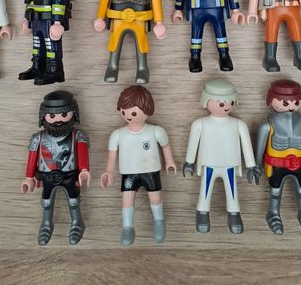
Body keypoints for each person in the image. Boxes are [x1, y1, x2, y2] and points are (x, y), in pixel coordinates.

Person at [101, 85, 176, 246]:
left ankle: (159, 221)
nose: (128, 115)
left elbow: (165, 146)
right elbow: (112, 156)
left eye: (133, 113)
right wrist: (108, 171)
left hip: (151, 172)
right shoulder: (117, 135)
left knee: (155, 198)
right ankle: (127, 227)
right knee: (127, 200)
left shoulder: (156, 131)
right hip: (129, 173)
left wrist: (169, 161)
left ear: (147, 110)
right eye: (124, 111)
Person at [183, 79, 260, 234]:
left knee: (232, 192)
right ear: (206, 101)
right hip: (209, 164)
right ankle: (202, 214)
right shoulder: (200, 123)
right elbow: (193, 144)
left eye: (230, 102)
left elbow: (247, 146)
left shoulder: (239, 124)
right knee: (205, 191)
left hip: (229, 164)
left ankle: (234, 215)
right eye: (221, 103)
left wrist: (252, 166)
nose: (226, 106)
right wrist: (189, 162)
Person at [256, 80, 301, 235]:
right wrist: (255, 165)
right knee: (275, 191)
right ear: (271, 100)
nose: (290, 106)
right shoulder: (267, 125)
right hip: (277, 165)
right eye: (285, 102)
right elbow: (260, 147)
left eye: (295, 102)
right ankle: (273, 214)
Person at [22, 90, 90, 246]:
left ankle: (77, 223)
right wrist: (28, 177)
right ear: (44, 116)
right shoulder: (38, 138)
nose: (58, 120)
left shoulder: (78, 136)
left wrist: (84, 170)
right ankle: (46, 224)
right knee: (46, 202)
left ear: (74, 114)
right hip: (47, 176)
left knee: (74, 201)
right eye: (52, 116)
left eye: (64, 114)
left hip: (70, 176)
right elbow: (32, 158)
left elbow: (82, 154)